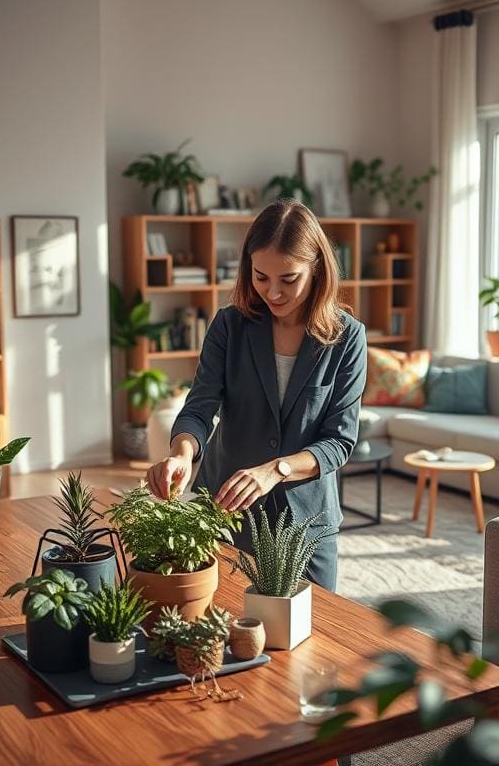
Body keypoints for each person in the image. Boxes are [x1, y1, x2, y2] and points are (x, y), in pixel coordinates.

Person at [145, 198, 367, 591]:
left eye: (289, 279)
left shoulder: (347, 337)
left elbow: (339, 441)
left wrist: (274, 470)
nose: (273, 292)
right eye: (261, 276)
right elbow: (200, 406)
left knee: (316, 637)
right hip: (226, 513)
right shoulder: (230, 325)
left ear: (316, 270)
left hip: (307, 523)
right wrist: (180, 454)